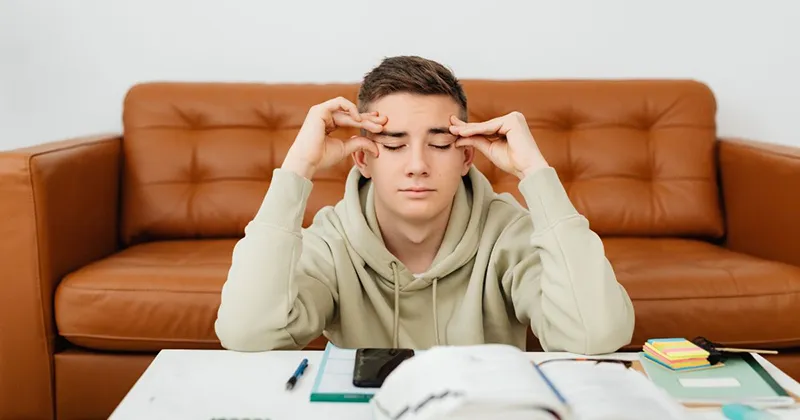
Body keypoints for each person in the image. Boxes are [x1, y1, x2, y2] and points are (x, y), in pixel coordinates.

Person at [214, 55, 635, 355]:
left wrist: (536, 173)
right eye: (394, 144)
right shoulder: (332, 240)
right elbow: (247, 332)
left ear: (466, 156)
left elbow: (594, 335)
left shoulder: (508, 231)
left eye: (438, 144)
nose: (417, 165)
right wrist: (297, 168)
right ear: (363, 159)